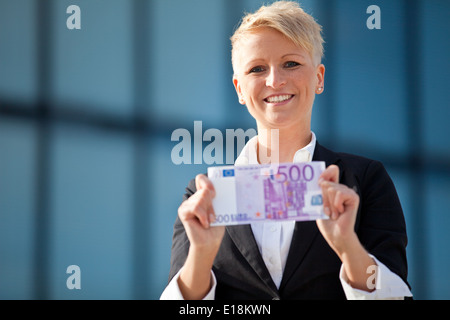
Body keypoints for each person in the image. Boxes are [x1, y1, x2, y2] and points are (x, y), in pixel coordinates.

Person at [160, 1, 412, 300]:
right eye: (257, 68)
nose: (274, 80)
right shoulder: (204, 197)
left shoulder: (365, 180)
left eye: (290, 63)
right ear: (239, 89)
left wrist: (348, 247)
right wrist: (201, 256)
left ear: (319, 77)